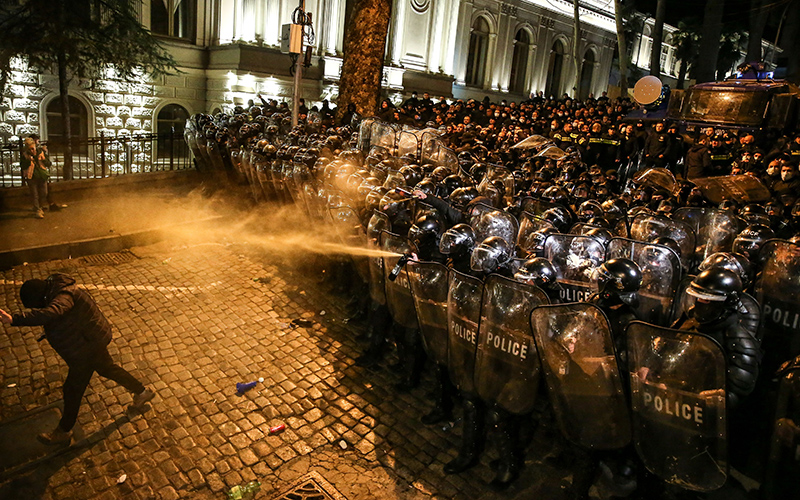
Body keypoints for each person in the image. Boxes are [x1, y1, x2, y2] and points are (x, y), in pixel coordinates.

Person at [0, 274, 155, 445]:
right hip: (90, 340)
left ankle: (64, 431)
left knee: (72, 390)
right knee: (107, 369)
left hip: (87, 347)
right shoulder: (56, 290)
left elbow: (53, 312)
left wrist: (15, 319)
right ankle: (142, 392)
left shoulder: (63, 297)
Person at [20, 137, 49, 219]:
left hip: (41, 175)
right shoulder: (25, 156)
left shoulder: (41, 153)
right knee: (35, 194)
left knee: (44, 193)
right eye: (30, 149)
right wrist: (28, 161)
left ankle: (40, 206)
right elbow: (22, 166)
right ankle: (37, 209)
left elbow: (48, 163)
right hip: (31, 176)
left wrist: (43, 159)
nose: (32, 151)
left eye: (33, 148)